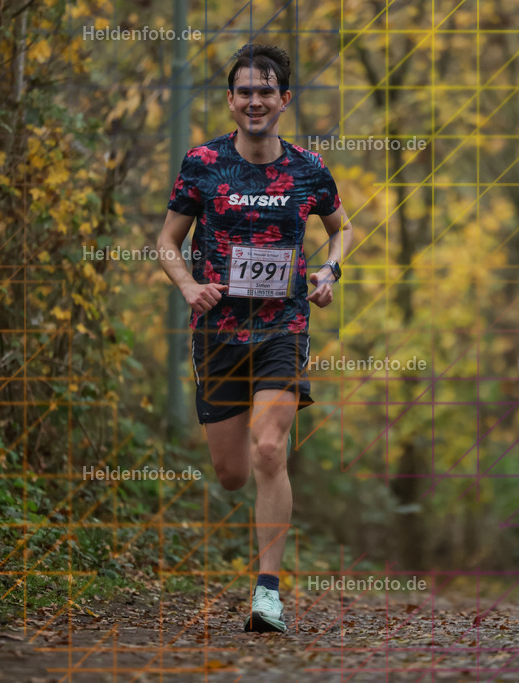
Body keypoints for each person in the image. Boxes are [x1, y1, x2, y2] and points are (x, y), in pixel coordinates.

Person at [156, 44, 353, 632]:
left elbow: (343, 229)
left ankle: (267, 593)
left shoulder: (309, 170)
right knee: (233, 473)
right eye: (244, 91)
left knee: (271, 449)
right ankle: (238, 444)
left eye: (266, 91)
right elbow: (167, 240)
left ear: (284, 100)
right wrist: (188, 285)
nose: (255, 101)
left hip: (282, 328)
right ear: (231, 100)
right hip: (216, 331)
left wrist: (329, 271)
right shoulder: (202, 163)